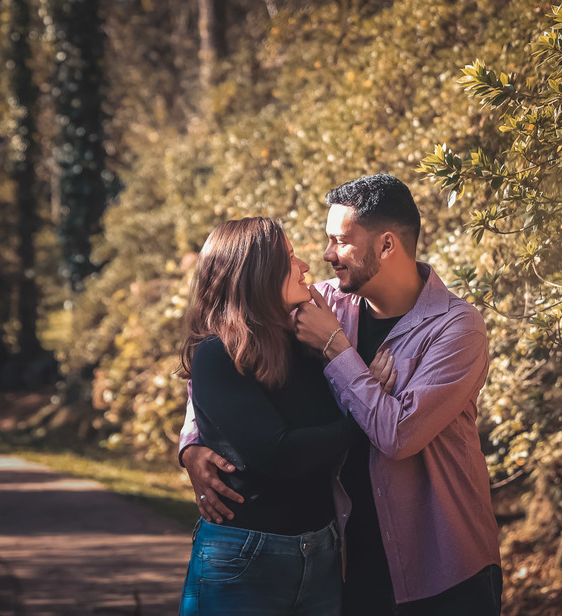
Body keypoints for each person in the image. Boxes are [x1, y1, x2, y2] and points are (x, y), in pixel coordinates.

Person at [181, 175, 502, 616]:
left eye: (340, 241)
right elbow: (230, 346)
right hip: (350, 562)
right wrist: (195, 442)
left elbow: (398, 437)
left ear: (387, 246)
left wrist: (337, 348)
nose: (326, 255)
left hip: (440, 563)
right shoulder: (321, 303)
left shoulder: (457, 329)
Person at [177, 216, 394, 616]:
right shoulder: (217, 355)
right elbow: (279, 454)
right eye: (290, 258)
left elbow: (323, 439)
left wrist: (352, 374)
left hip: (323, 553)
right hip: (245, 556)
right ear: (257, 273)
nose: (306, 267)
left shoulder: (304, 345)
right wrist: (368, 418)